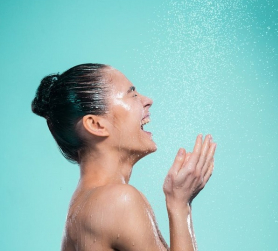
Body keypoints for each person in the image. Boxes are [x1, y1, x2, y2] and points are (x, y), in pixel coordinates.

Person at [32, 63, 216, 251]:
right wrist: (180, 205)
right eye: (133, 94)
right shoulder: (118, 201)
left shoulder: (84, 205)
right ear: (96, 124)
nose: (148, 100)